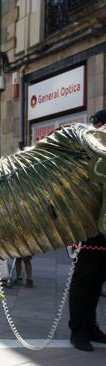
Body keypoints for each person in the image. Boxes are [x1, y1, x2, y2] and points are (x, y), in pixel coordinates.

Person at [68, 109, 106, 351]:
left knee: (96, 281)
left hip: (102, 227)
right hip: (89, 227)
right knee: (84, 280)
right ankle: (78, 330)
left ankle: (90, 326)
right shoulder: (91, 148)